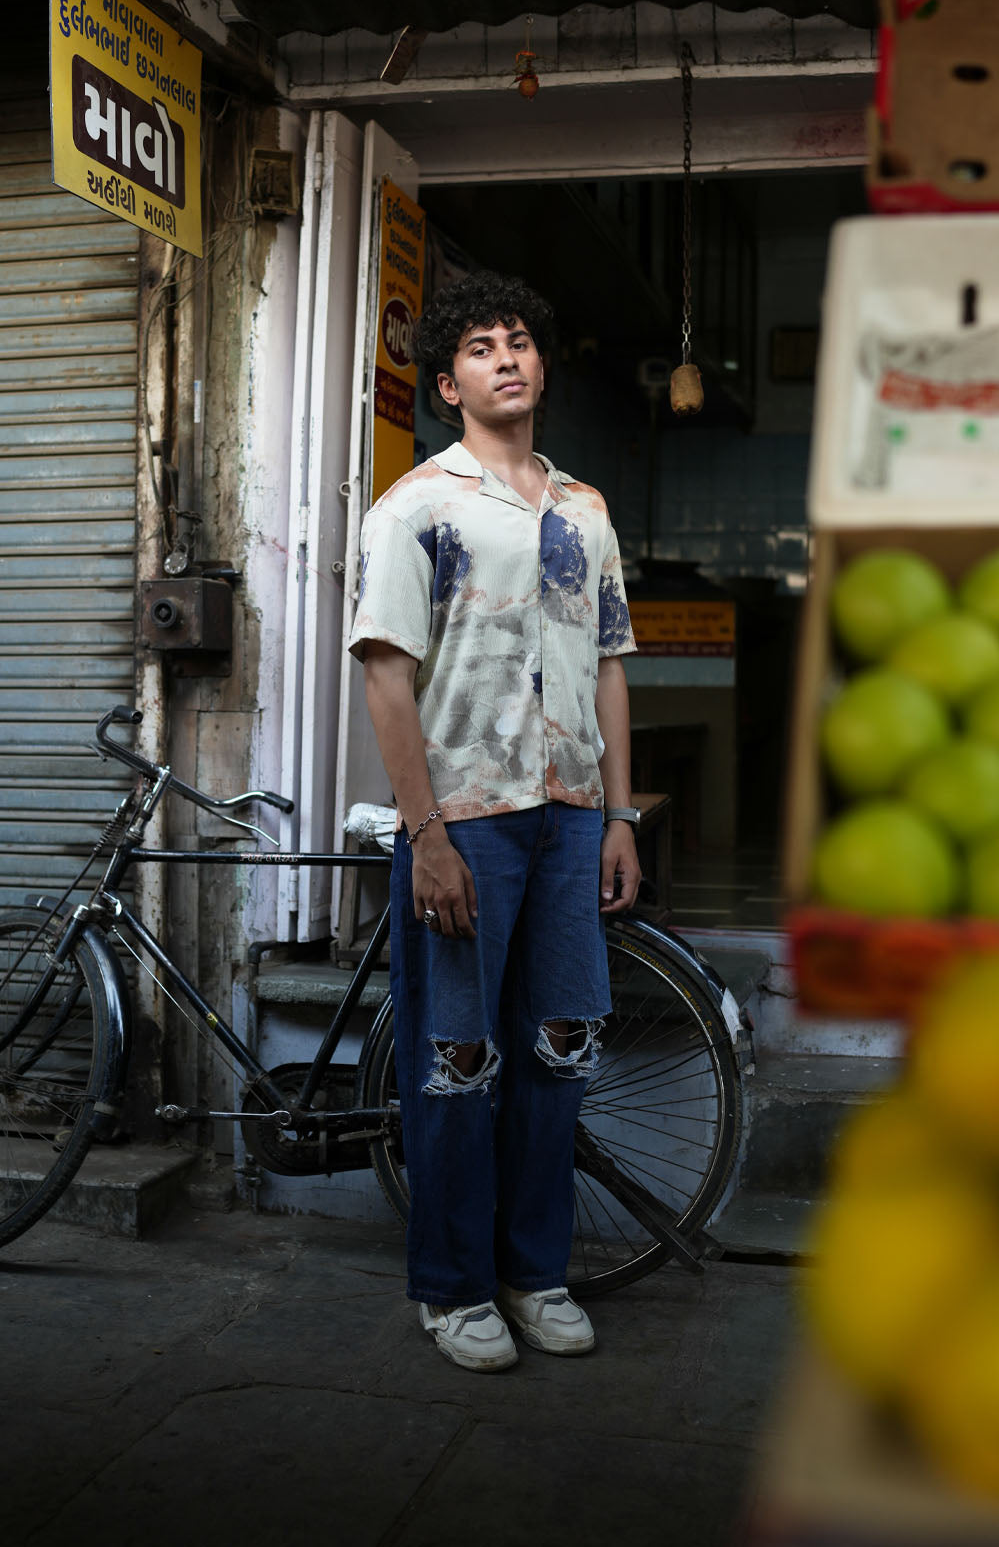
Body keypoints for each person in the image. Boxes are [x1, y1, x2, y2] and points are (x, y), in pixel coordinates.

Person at [349, 269, 640, 1372]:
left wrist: (622, 815)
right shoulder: (417, 507)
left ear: (543, 364)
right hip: (466, 819)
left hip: (571, 817)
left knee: (559, 1051)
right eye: (481, 346)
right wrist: (426, 836)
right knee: (457, 1060)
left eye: (521, 339)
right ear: (446, 381)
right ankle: (454, 1288)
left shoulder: (586, 511)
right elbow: (386, 676)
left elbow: (610, 665)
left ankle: (536, 1271)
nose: (508, 355)